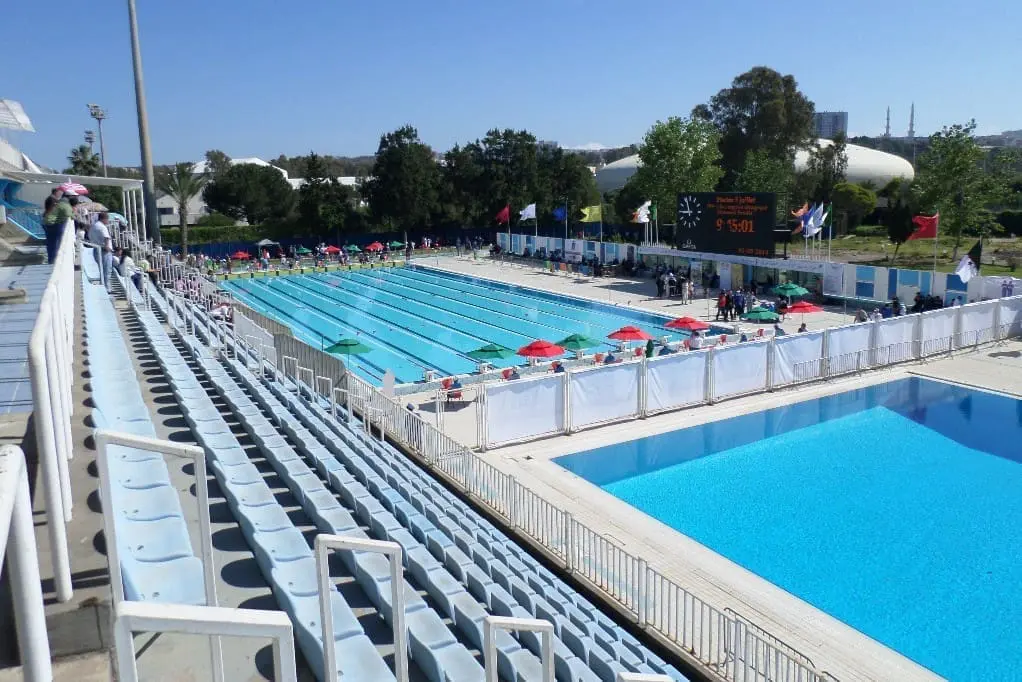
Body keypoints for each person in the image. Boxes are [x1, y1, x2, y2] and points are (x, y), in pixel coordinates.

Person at [41, 193, 74, 264]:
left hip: (46, 223)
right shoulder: (63, 205)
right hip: (52, 225)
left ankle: (51, 260)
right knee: (56, 243)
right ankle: (54, 261)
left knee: (50, 243)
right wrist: (74, 212)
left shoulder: (51, 207)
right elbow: (69, 215)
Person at [88, 212, 114, 292]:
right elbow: (106, 237)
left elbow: (89, 236)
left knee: (101, 270)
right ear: (104, 219)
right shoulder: (102, 227)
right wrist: (107, 247)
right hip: (104, 251)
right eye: (107, 219)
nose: (108, 221)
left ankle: (103, 286)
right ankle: (107, 288)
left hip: (96, 249)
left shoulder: (93, 226)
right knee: (107, 270)